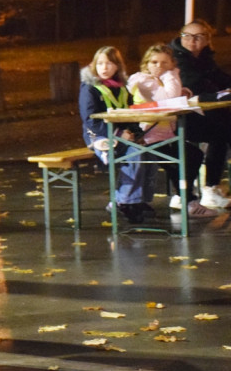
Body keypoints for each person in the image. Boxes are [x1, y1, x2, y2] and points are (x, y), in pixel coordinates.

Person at [127, 43, 214, 217]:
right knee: (182, 160)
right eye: (154, 62)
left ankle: (184, 197)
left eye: (164, 63)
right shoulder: (141, 79)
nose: (159, 66)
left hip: (166, 135)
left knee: (194, 154)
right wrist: (171, 75)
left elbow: (173, 95)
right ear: (146, 63)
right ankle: (187, 200)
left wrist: (181, 88)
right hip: (145, 137)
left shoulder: (163, 79)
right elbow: (170, 99)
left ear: (172, 63)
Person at [79, 46, 156, 224]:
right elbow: (91, 120)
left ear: (117, 66)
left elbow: (131, 114)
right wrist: (120, 134)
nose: (104, 68)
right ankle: (124, 202)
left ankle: (139, 199)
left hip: (124, 135)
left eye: (109, 63)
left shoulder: (122, 87)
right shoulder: (89, 88)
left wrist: (136, 133)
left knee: (150, 153)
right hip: (99, 136)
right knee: (134, 154)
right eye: (100, 63)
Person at [169, 19, 231, 209]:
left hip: (199, 113)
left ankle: (211, 187)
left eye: (198, 36)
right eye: (187, 36)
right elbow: (196, 85)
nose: (192, 40)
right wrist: (219, 93)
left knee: (223, 130)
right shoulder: (176, 59)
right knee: (222, 132)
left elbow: (219, 79)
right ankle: (206, 189)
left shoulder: (205, 59)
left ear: (207, 40)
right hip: (175, 119)